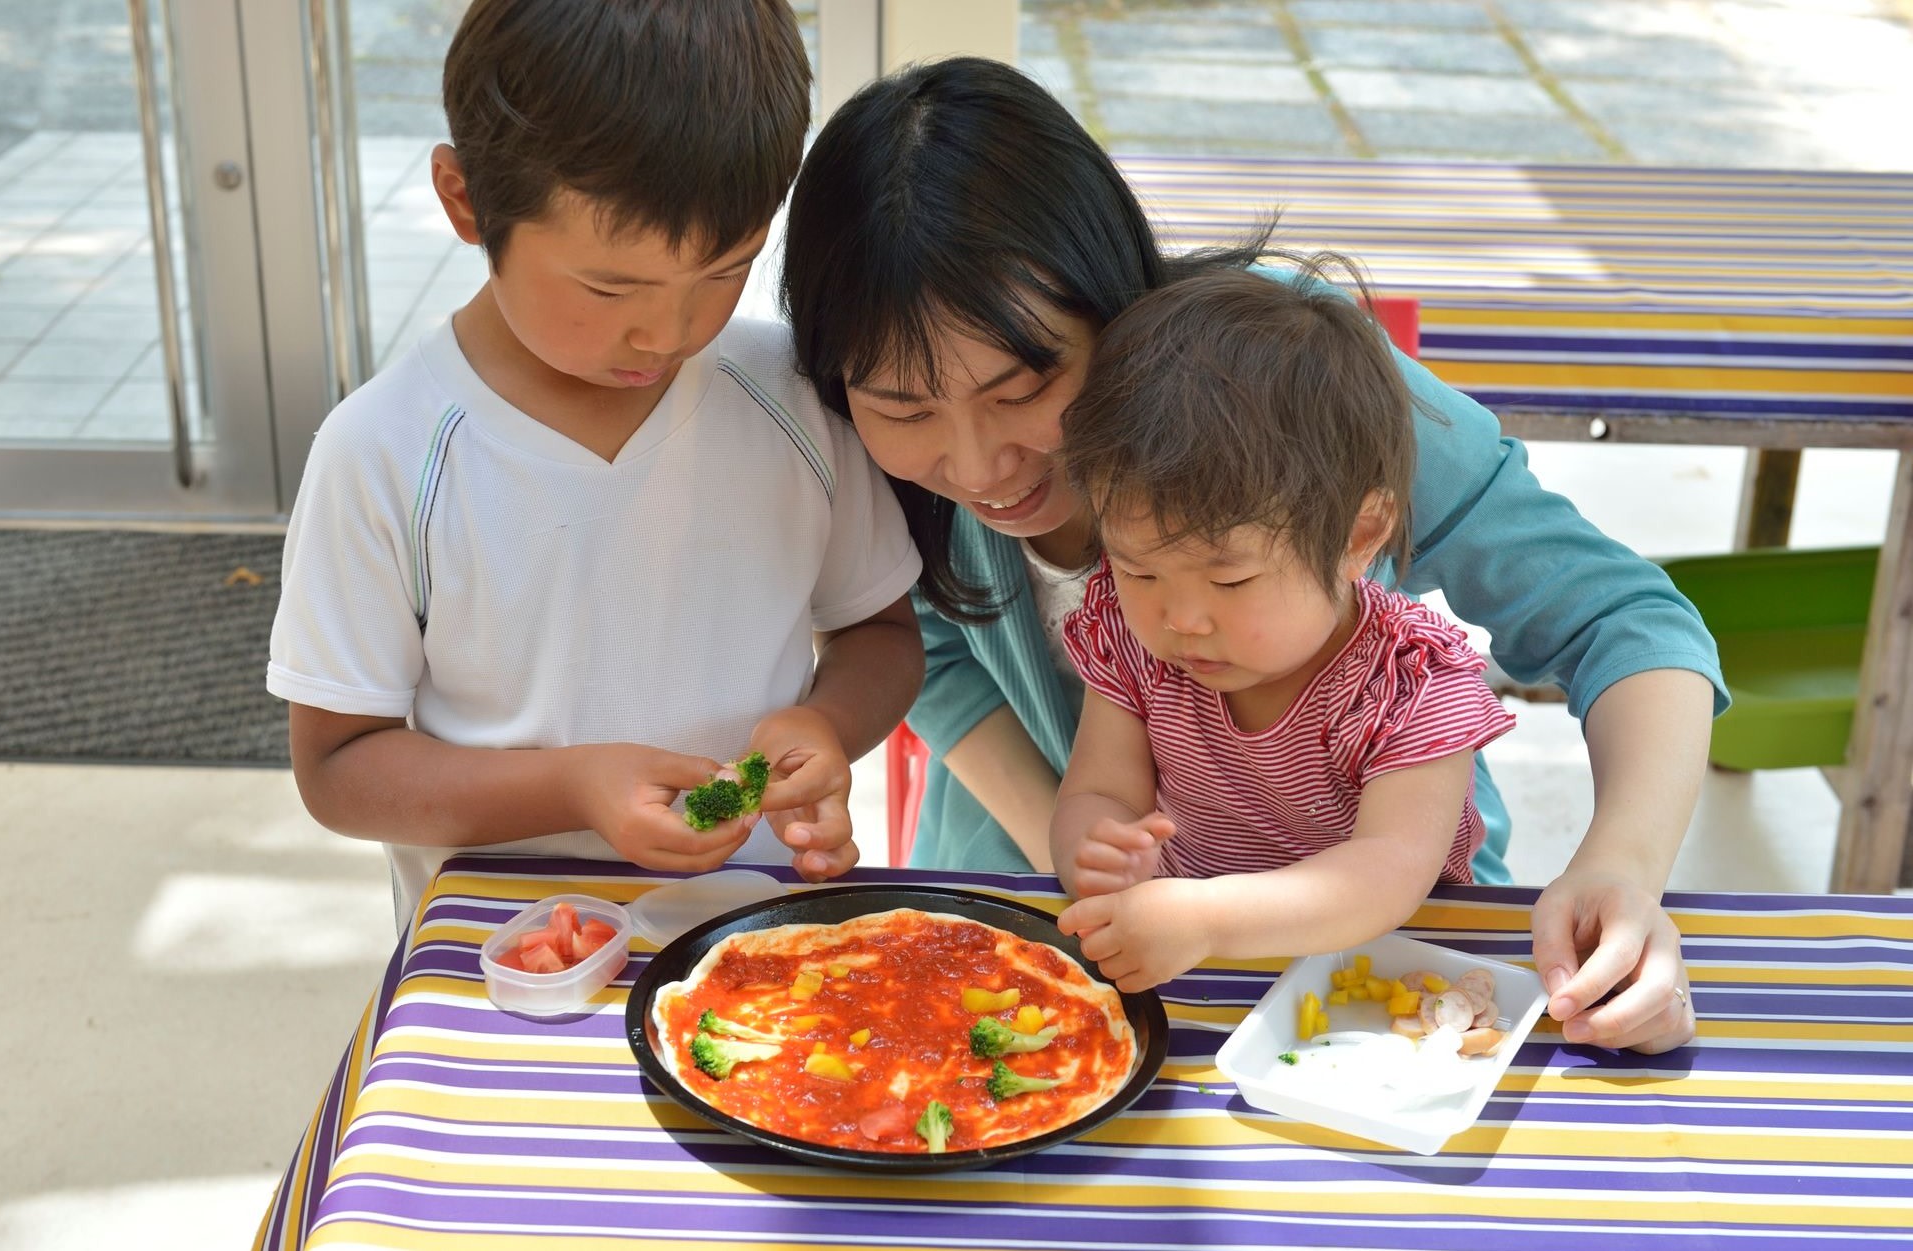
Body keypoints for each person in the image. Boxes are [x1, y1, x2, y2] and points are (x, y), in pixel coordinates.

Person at [780, 57, 1723, 1052]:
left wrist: (1619, 866)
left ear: (1113, 301)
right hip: (1055, 897)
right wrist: (1081, 858)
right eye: (903, 409)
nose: (977, 464)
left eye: (1022, 387)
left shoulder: (1276, 382)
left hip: (1384, 935)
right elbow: (918, 640)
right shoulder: (837, 430)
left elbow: (1619, 619)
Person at [266, 0, 922, 926]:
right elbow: (337, 768)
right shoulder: (383, 451)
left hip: (762, 935)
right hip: (503, 962)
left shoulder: (789, 395)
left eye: (725, 269)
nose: (671, 330)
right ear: (465, 201)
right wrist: (573, 786)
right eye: (611, 287)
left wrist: (829, 724)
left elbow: (882, 634)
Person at [1049, 263, 1516, 991]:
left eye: (1229, 579)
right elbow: (1098, 791)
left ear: (1360, 534)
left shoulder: (1410, 686)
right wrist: (1095, 850)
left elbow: (1380, 877)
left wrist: (1207, 917)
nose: (1181, 618)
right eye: (1139, 569)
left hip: (1388, 981)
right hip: (1194, 965)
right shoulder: (1135, 642)